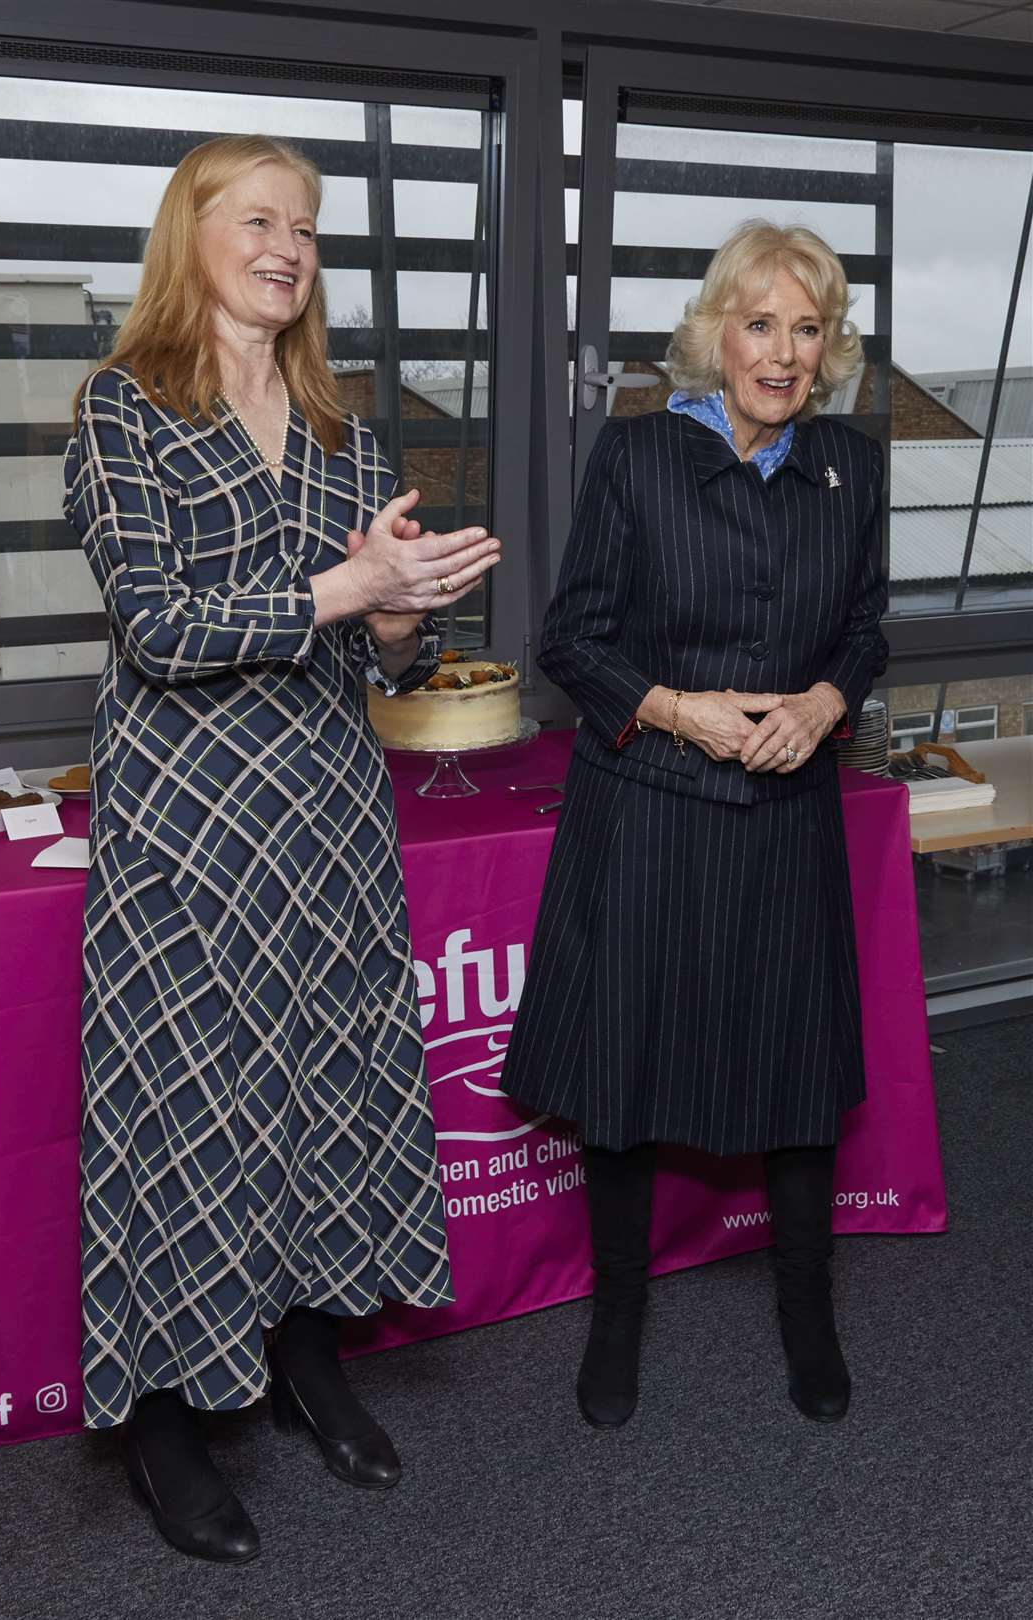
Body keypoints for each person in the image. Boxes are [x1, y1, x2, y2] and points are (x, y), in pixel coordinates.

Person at [64, 134, 500, 1563]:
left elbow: (386, 656)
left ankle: (309, 1357)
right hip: (188, 838)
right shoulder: (121, 411)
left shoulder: (342, 427)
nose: (289, 245)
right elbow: (160, 628)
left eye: (306, 226)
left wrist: (397, 616)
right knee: (181, 1125)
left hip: (323, 822)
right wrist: (349, 584)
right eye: (259, 218)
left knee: (321, 1096)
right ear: (189, 235)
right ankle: (163, 1428)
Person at [501, 220, 887, 1434]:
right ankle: (617, 1310)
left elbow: (866, 627)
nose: (782, 353)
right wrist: (678, 711)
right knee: (626, 1070)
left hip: (787, 814)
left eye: (807, 328)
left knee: (794, 1068)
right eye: (760, 322)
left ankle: (807, 1307)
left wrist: (828, 702)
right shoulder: (635, 456)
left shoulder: (851, 466)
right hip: (655, 807)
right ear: (718, 330)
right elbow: (570, 640)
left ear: (830, 351)